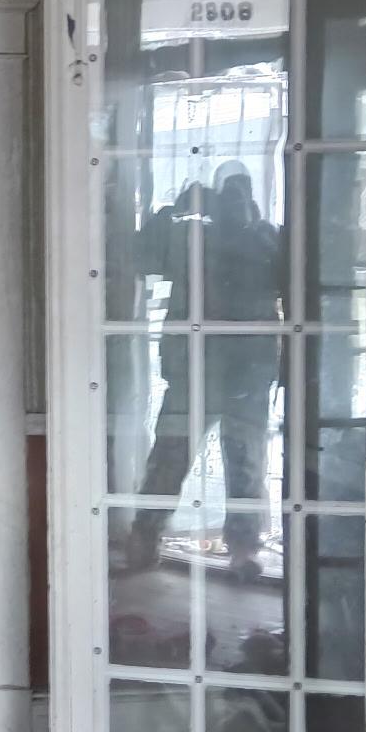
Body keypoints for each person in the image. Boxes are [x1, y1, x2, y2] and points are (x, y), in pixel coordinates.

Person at [123, 162, 283, 582]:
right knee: (211, 460)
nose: (236, 203)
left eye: (241, 194)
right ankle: (233, 548)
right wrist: (179, 210)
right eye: (230, 194)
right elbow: (142, 256)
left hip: (223, 369)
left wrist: (180, 211)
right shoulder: (208, 234)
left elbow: (142, 256)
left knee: (204, 459)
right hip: (220, 369)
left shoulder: (241, 236)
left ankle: (155, 538)